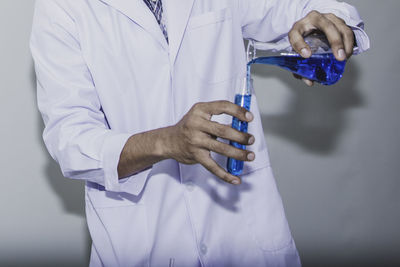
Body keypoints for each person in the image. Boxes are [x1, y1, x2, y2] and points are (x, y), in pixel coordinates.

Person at [30, 0, 369, 266]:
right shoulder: (62, 6)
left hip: (243, 236)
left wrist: (324, 30)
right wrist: (166, 141)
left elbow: (308, 9)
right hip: (141, 242)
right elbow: (70, 139)